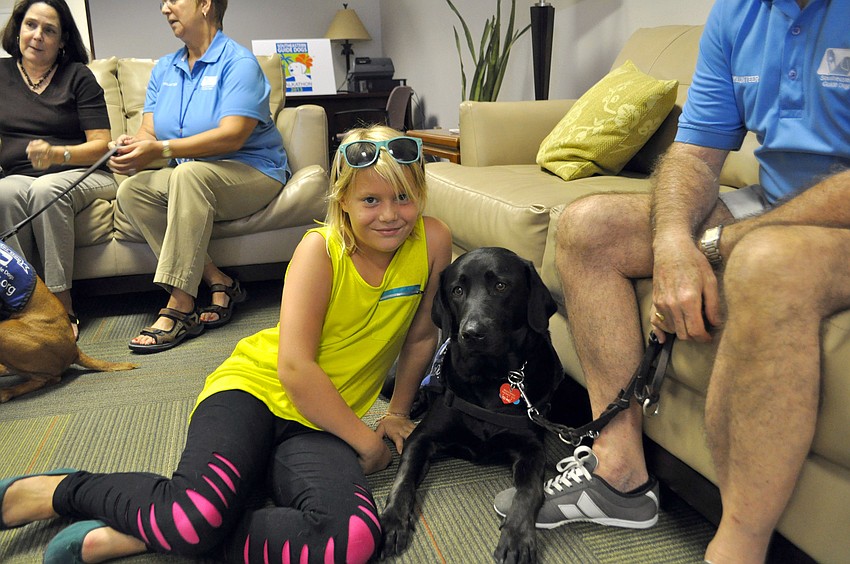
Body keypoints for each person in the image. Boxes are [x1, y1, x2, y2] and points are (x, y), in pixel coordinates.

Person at [494, 0, 850, 562]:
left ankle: (737, 548)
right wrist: (673, 244)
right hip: (771, 203)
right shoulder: (739, 13)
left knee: (764, 261)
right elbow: (695, 157)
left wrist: (726, 243)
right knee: (588, 228)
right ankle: (618, 475)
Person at [0, 125, 453, 563]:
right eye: (371, 200)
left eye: (404, 198)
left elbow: (421, 334)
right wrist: (366, 442)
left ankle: (152, 533)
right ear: (344, 201)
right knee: (195, 517)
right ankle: (58, 491)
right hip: (253, 391)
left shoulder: (433, 240)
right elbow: (295, 369)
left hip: (321, 421)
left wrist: (395, 412)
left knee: (352, 540)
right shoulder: (322, 250)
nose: (391, 214)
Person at [109, 0, 291, 353]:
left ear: (206, 4)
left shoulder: (239, 63)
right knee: (134, 190)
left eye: (173, 0)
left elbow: (233, 135)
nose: (164, 9)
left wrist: (161, 150)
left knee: (187, 175)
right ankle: (219, 280)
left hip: (253, 169)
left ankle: (181, 303)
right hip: (192, 175)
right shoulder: (165, 69)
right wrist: (132, 146)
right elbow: (148, 131)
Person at [0, 0, 117, 340]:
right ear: (18, 28)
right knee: (4, 194)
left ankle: (61, 305)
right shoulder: (2, 75)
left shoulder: (79, 76)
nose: (37, 36)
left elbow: (101, 145)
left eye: (49, 30)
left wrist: (56, 155)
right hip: (18, 176)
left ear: (63, 39)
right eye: (31, 25)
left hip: (83, 173)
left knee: (45, 190)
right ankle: (24, 307)